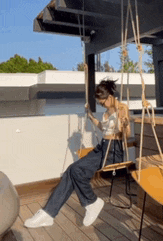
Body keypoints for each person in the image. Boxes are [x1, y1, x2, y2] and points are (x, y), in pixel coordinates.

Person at [24, 79, 131, 228]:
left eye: (103, 102)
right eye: (100, 103)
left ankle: (92, 202)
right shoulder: (107, 112)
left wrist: (125, 124)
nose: (102, 105)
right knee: (71, 170)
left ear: (110, 96)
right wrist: (91, 116)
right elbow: (104, 128)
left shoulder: (122, 108)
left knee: (76, 170)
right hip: (103, 147)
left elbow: (126, 133)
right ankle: (47, 214)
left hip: (114, 151)